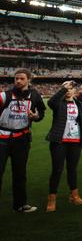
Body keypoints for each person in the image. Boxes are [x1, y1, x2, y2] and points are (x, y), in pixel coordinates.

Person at [0, 68, 46, 212]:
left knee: (20, 174)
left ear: (28, 80)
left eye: (22, 78)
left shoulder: (35, 95)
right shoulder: (4, 95)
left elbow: (41, 113)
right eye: (16, 78)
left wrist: (36, 117)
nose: (18, 81)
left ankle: (20, 204)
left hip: (22, 139)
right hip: (2, 138)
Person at [45, 80, 82, 212]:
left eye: (71, 88)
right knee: (57, 170)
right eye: (66, 88)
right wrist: (63, 89)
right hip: (59, 141)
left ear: (75, 91)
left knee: (72, 169)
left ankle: (74, 195)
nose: (69, 90)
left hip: (75, 141)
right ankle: (52, 198)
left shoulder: (80, 105)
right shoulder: (59, 103)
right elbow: (51, 103)